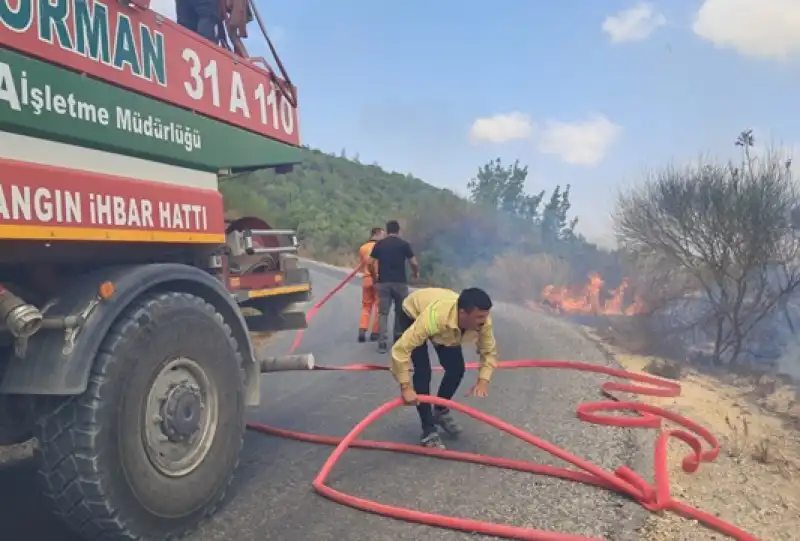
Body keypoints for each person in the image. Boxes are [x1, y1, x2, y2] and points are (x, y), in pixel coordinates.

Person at [390, 287, 498, 449]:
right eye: (479, 317)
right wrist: (405, 387)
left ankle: (440, 410)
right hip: (413, 314)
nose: (484, 320)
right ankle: (428, 430)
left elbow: (489, 351)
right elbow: (400, 350)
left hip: (446, 328)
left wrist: (483, 380)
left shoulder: (483, 322)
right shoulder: (435, 318)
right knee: (423, 371)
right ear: (463, 313)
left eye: (485, 315)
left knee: (456, 369)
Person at [369, 220, 419, 353]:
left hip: (383, 282)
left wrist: (375, 277)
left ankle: (382, 342)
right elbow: (413, 262)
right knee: (401, 311)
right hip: (400, 283)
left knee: (383, 313)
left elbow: (370, 262)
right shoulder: (404, 244)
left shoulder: (380, 244)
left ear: (387, 230)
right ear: (398, 230)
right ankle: (398, 337)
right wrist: (415, 273)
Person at [357, 227, 385, 342]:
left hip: (367, 280)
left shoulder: (363, 248)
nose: (384, 237)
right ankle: (375, 332)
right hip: (379, 280)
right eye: (382, 235)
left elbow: (362, 264)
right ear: (377, 234)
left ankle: (362, 329)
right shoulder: (382, 247)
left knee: (366, 306)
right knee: (379, 307)